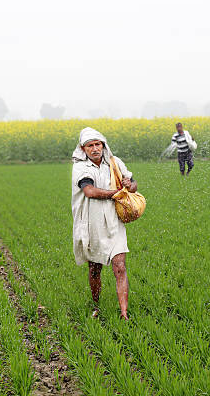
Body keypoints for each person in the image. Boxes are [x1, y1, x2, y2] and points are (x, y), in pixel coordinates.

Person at [71, 127, 137, 320]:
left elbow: (133, 185)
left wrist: (128, 185)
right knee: (94, 268)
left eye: (97, 144)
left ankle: (124, 312)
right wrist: (116, 193)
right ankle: (96, 304)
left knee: (120, 266)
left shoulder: (115, 163)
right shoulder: (81, 167)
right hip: (92, 224)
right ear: (83, 149)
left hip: (115, 223)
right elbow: (90, 191)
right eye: (90, 146)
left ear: (103, 145)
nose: (94, 149)